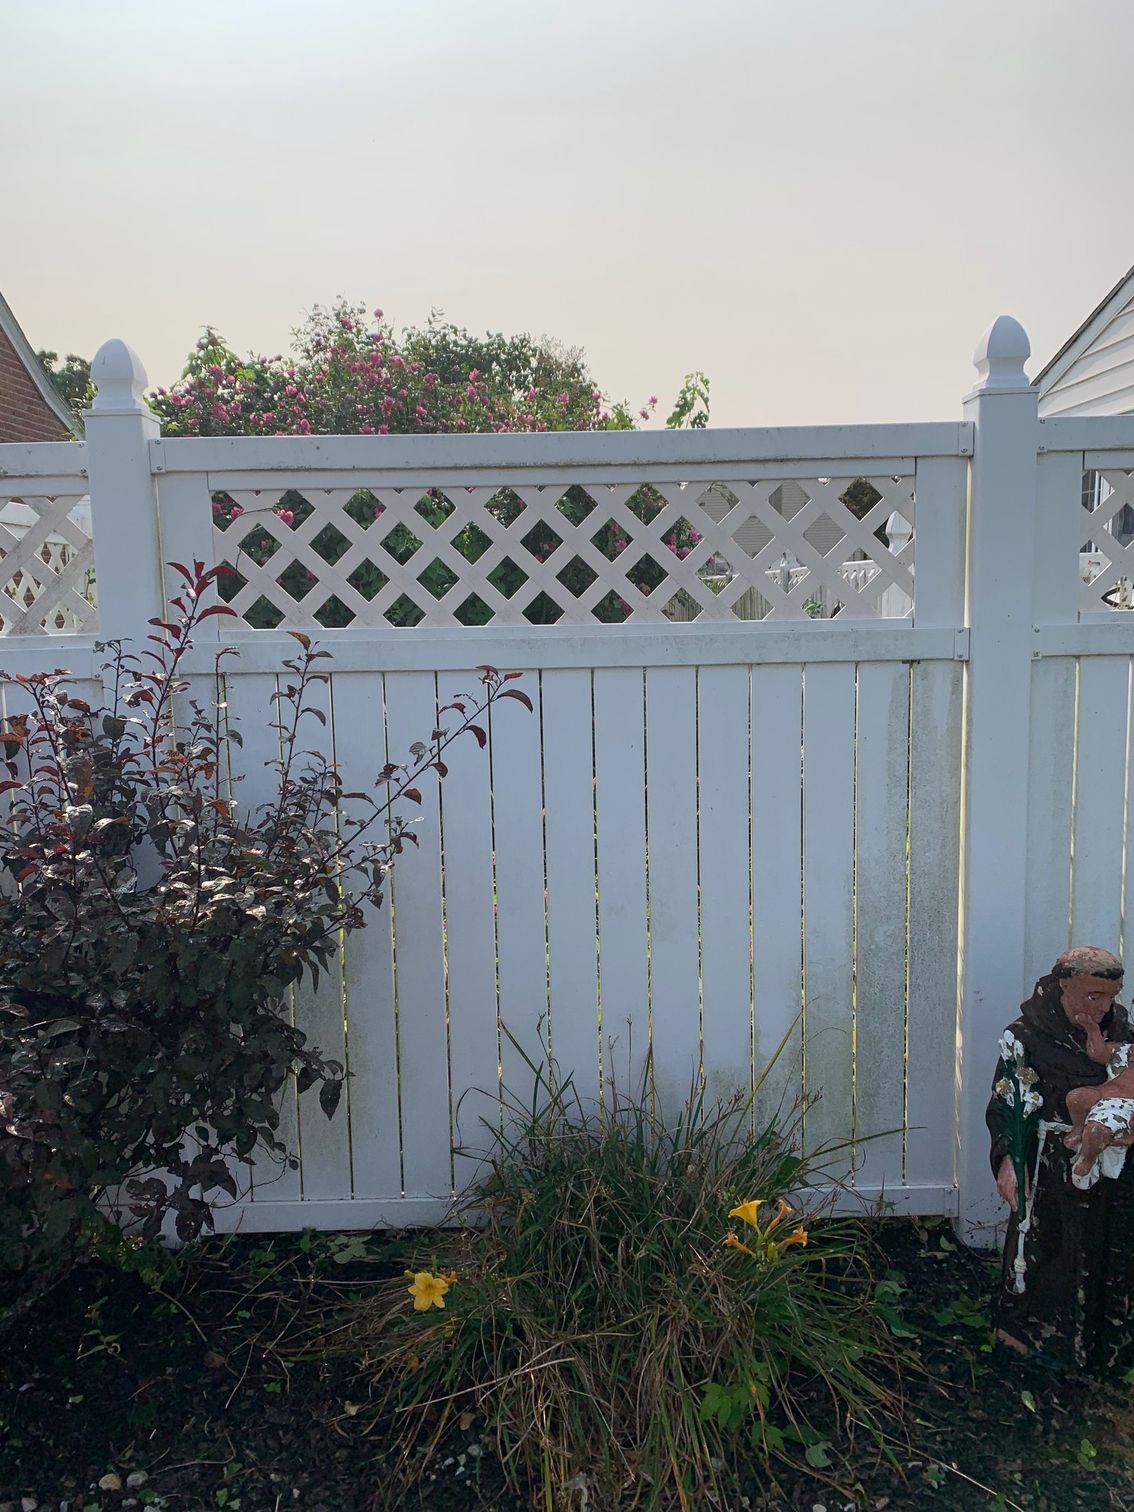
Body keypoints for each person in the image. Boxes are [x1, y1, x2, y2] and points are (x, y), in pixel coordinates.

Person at [985, 946, 1134, 1368]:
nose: (1103, 1007)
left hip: (1114, 1168)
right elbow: (1008, 1102)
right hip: (1050, 1165)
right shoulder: (1028, 1036)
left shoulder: (1121, 1033)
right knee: (1048, 1249)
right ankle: (1031, 1337)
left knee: (1108, 1250)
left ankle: (1104, 1340)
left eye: (1111, 997)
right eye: (1093, 996)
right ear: (1064, 986)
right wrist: (1010, 1159)